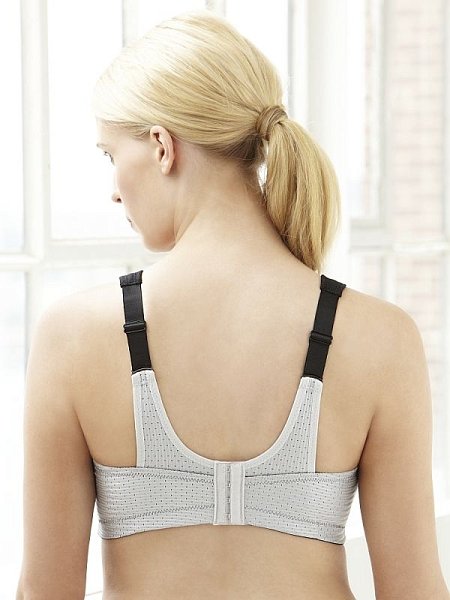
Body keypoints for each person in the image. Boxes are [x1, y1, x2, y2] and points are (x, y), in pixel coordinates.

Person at [16, 9, 450, 600]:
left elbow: (44, 592)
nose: (114, 190)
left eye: (111, 156)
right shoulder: (381, 338)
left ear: (162, 147)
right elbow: (416, 592)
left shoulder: (73, 335)